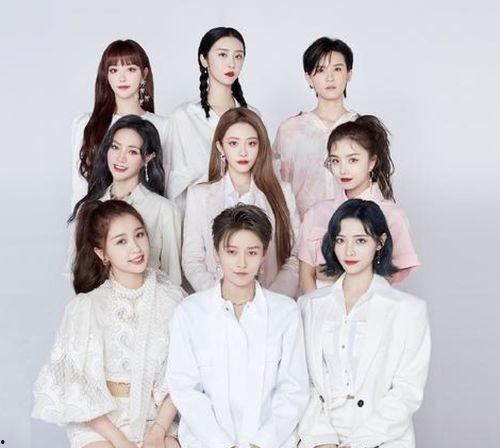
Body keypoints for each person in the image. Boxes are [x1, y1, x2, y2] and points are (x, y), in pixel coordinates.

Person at [33, 200, 185, 448]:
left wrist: (158, 431)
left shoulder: (173, 300)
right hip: (102, 426)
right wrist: (122, 443)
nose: (135, 247)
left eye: (139, 235)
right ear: (102, 253)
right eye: (121, 241)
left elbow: (184, 374)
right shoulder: (87, 307)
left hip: (157, 420)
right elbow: (78, 387)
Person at [167, 204, 309, 447]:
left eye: (252, 252)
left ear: (264, 254)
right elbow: (184, 388)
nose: (241, 263)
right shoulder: (189, 312)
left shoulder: (286, 312)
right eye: (232, 251)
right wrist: (221, 443)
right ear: (216, 252)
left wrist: (262, 442)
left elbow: (293, 389)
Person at [298, 199, 431, 448]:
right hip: (320, 437)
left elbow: (407, 391)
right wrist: (322, 439)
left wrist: (358, 443)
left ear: (379, 242)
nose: (349, 251)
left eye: (360, 240)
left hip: (383, 437)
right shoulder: (309, 306)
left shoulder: (408, 310)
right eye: (340, 240)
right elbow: (304, 383)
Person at [182, 107, 300, 297]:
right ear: (221, 147)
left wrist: (272, 299)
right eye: (234, 143)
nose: (243, 152)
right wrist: (218, 297)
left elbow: (295, 255)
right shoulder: (199, 195)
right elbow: (192, 259)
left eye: (251, 143)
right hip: (217, 304)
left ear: (260, 146)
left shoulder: (283, 193)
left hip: (271, 301)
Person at [299, 115, 419, 293]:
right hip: (319, 306)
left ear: (372, 162)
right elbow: (305, 274)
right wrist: (317, 306)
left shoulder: (392, 216)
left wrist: (336, 278)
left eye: (353, 160)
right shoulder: (316, 213)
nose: (343, 169)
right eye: (335, 161)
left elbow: (392, 275)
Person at [70, 115, 182, 286]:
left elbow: (173, 279)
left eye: (132, 151)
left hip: (150, 301)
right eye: (115, 147)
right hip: (99, 300)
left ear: (148, 157)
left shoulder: (164, 210)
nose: (120, 158)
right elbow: (77, 270)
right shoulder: (88, 208)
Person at [72, 39, 168, 208]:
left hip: (146, 218)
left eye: (131, 69)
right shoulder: (85, 124)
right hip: (97, 218)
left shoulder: (164, 126)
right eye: (114, 70)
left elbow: (167, 187)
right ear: (106, 75)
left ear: (144, 73)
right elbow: (79, 188)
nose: (122, 78)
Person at [165, 27, 251, 213]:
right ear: (204, 59)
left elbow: (264, 177)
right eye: (222, 55)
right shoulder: (184, 116)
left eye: (238, 56)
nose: (231, 63)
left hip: (246, 219)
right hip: (198, 216)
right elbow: (174, 185)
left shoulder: (253, 116)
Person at [273, 37, 358, 219]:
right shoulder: (290, 130)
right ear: (309, 78)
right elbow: (277, 187)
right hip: (302, 230)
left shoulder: (363, 128)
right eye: (320, 70)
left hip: (355, 229)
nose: (330, 77)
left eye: (337, 69)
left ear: (349, 74)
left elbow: (376, 187)